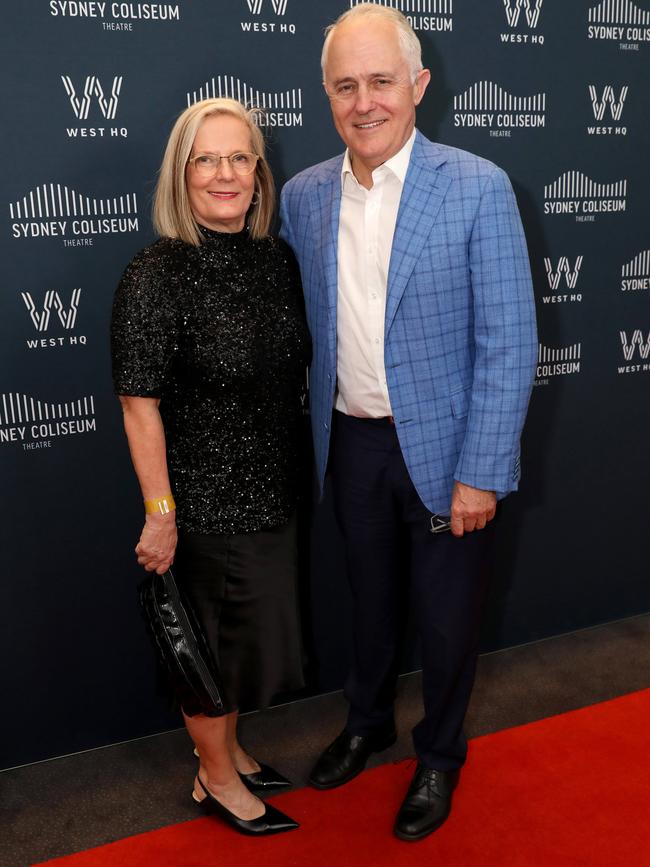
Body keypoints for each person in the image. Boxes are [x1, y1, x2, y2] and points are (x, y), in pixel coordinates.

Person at [280, 4, 537, 842]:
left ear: (418, 85)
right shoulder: (304, 195)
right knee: (370, 603)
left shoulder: (477, 185)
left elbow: (508, 340)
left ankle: (440, 751)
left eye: (381, 81)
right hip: (349, 444)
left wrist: (481, 469)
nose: (365, 102)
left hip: (447, 449)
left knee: (449, 615)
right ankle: (366, 722)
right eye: (346, 86)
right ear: (327, 96)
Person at [111, 97, 310, 837]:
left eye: (239, 157)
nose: (225, 173)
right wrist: (162, 513)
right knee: (208, 653)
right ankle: (217, 777)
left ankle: (229, 751)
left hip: (275, 491)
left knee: (248, 646)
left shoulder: (274, 258)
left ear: (258, 173)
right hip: (202, 504)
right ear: (181, 174)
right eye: (206, 159)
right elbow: (139, 404)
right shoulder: (157, 273)